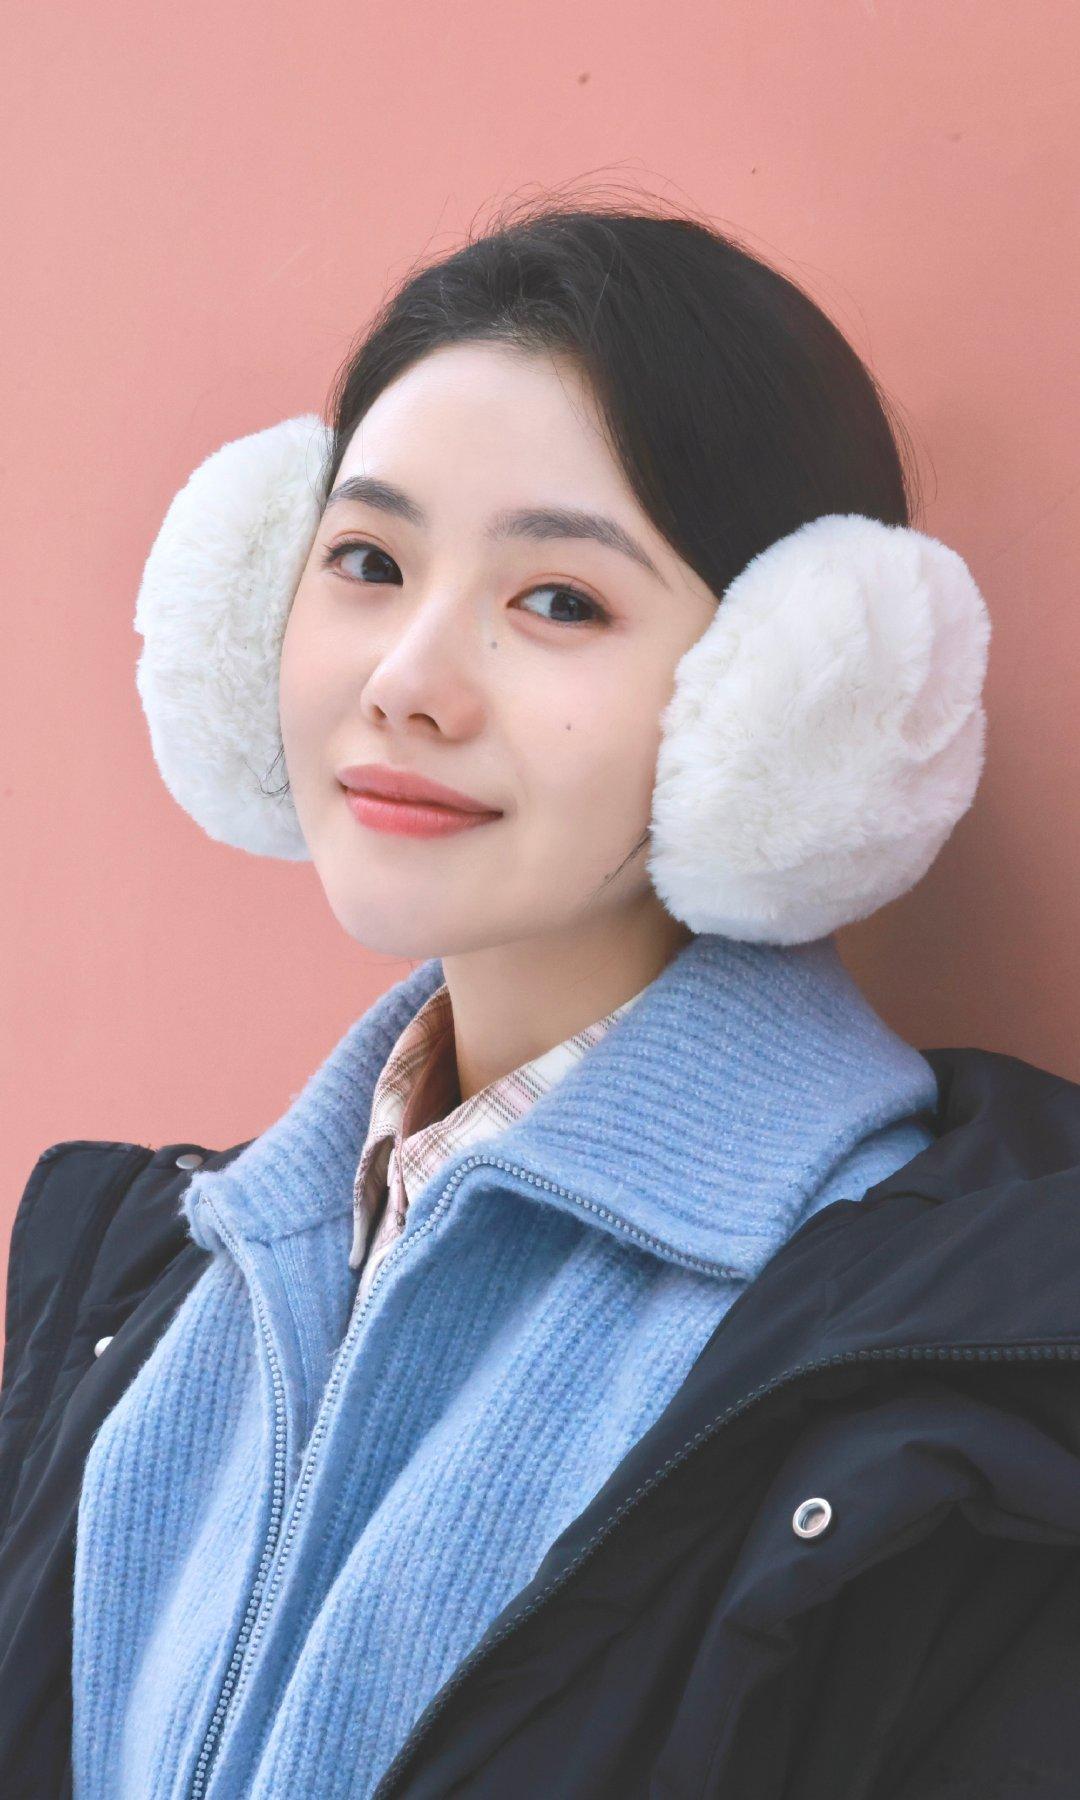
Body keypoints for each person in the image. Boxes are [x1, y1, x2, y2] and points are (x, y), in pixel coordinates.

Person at [3, 196, 1079, 1800]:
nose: (405, 682)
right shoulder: (148, 1278)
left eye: (559, 599)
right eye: (367, 562)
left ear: (795, 704)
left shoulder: (941, 1399)